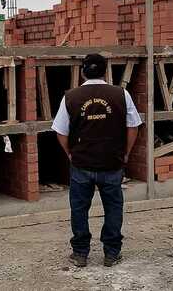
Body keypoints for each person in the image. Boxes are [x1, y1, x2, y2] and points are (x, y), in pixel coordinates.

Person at [52, 54, 142, 268]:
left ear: (83, 71)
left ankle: (81, 254)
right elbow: (133, 126)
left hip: (81, 164)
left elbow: (60, 132)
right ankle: (111, 254)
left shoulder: (70, 97)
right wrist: (126, 153)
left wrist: (70, 154)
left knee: (79, 209)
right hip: (112, 163)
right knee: (113, 207)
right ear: (105, 71)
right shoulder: (121, 94)